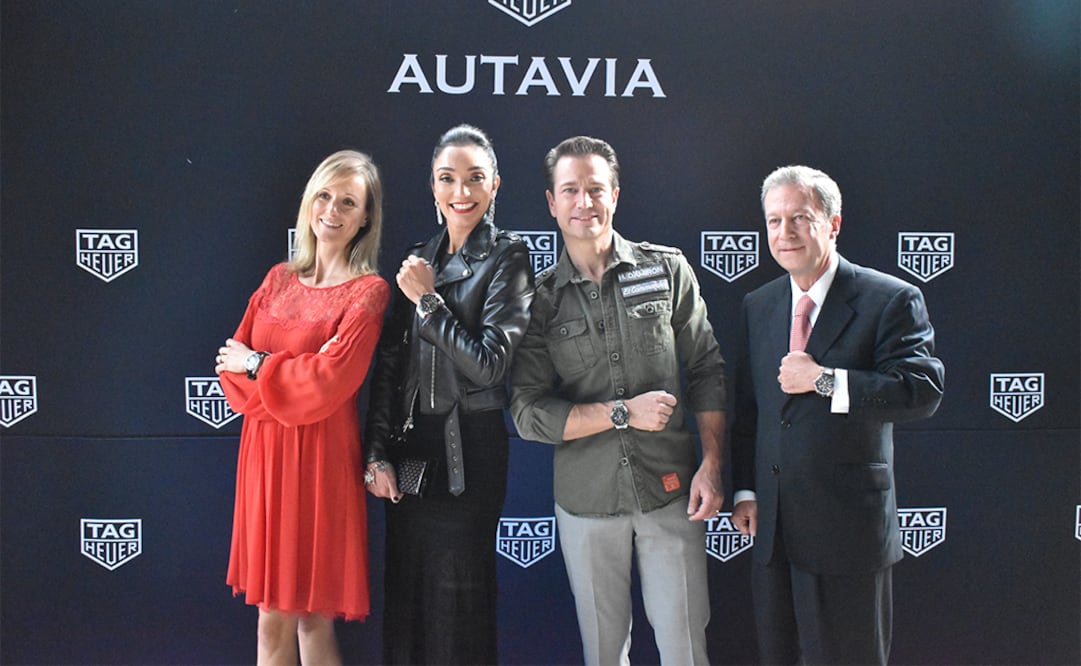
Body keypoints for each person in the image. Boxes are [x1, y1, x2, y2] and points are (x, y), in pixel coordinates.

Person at [510, 135, 726, 666]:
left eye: (595, 189)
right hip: (586, 501)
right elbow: (527, 413)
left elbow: (707, 370)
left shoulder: (667, 269)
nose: (585, 202)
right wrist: (620, 413)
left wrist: (714, 465)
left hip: (671, 490)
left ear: (616, 194)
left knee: (685, 648)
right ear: (551, 203)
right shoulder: (537, 301)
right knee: (604, 653)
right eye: (571, 191)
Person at [729, 165, 945, 664]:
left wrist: (826, 380)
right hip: (774, 529)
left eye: (800, 218)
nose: (785, 233)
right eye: (775, 221)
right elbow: (749, 409)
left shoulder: (889, 298)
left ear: (833, 223)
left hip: (848, 530)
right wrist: (745, 490)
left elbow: (921, 389)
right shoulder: (758, 305)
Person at [363, 124, 535, 665]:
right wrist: (374, 455)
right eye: (448, 179)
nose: (462, 192)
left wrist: (430, 303)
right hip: (411, 450)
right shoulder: (418, 258)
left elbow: (488, 366)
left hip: (470, 454)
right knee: (408, 603)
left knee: (458, 608)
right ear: (433, 187)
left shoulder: (508, 257)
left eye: (474, 179)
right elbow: (390, 370)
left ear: (495, 186)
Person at [214, 150, 390, 664]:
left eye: (348, 202)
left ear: (365, 218)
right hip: (265, 463)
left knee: (313, 623)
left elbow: (331, 382)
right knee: (272, 625)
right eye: (325, 196)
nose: (332, 210)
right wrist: (277, 378)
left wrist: (260, 368)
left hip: (318, 465)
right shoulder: (277, 280)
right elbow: (230, 370)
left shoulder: (368, 293)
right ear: (310, 201)